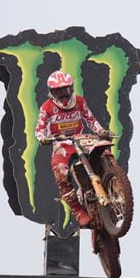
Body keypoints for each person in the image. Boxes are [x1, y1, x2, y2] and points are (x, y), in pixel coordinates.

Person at [35, 70, 113, 226]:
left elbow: (91, 120)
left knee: (104, 151)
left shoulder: (79, 101)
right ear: (52, 93)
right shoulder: (46, 107)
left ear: (72, 88)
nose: (64, 95)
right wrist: (42, 138)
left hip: (81, 138)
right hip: (62, 144)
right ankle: (78, 211)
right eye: (59, 92)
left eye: (66, 90)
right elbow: (39, 129)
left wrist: (101, 131)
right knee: (60, 172)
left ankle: (115, 182)